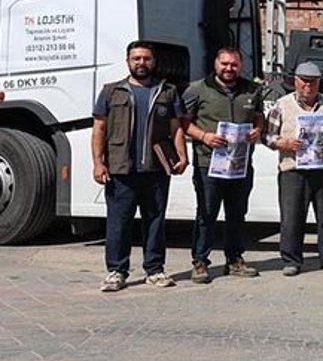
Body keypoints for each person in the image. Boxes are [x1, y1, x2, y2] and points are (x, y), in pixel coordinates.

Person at [92, 41, 190, 292]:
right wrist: (98, 163)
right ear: (128, 61)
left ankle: (155, 270)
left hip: (156, 169)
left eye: (146, 58)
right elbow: (99, 129)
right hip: (121, 169)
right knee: (118, 223)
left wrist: (182, 156)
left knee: (155, 221)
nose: (141, 63)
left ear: (153, 62)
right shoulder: (112, 92)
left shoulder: (167, 91)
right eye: (136, 58)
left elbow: (176, 128)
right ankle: (116, 271)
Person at [181, 47, 264, 283]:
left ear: (241, 66)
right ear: (215, 64)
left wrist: (258, 129)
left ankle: (235, 259)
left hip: (240, 164)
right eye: (224, 64)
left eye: (234, 64)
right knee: (206, 214)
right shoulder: (197, 89)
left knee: (237, 213)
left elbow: (258, 115)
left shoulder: (252, 90)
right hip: (208, 163)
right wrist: (204, 136)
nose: (229, 68)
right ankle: (200, 261)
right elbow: (182, 122)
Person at [263, 61, 323, 276]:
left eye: (313, 82)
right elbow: (268, 136)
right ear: (295, 81)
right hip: (293, 170)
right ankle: (292, 260)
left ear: (319, 82)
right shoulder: (282, 105)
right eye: (304, 81)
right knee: (292, 218)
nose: (308, 86)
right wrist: (283, 143)